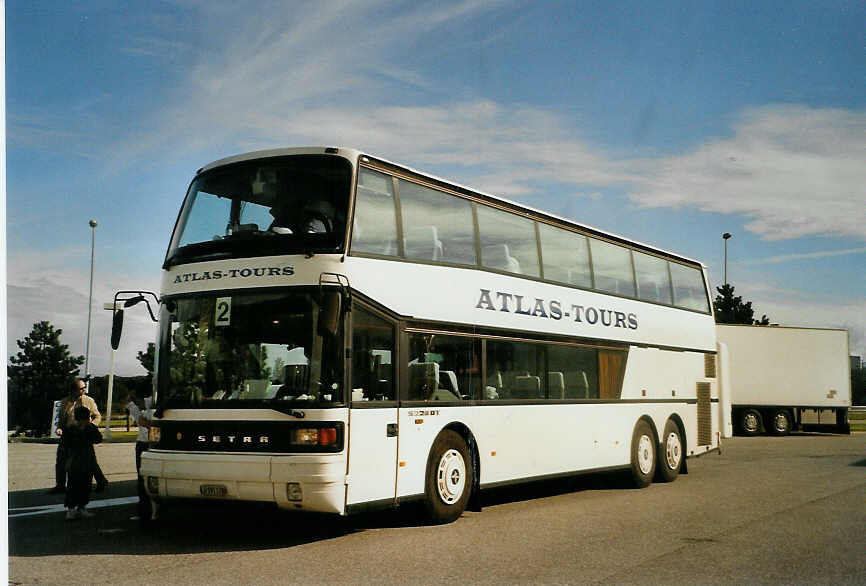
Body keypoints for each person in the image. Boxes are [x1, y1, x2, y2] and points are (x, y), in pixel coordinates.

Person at [48, 378, 108, 494]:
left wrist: (89, 427)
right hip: (68, 433)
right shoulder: (65, 402)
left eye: (84, 388)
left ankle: (101, 481)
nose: (84, 390)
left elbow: (97, 416)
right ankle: (60, 485)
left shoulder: (89, 401)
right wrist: (59, 428)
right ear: (73, 390)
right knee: (61, 459)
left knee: (89, 460)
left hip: (83, 434)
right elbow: (61, 420)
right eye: (81, 388)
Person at [63, 405, 103, 520]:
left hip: (87, 460)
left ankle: (82, 507)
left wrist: (91, 428)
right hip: (75, 461)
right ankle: (71, 509)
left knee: (86, 485)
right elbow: (66, 446)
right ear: (79, 419)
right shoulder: (71, 430)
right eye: (86, 418)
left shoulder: (90, 428)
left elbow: (98, 439)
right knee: (73, 485)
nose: (88, 420)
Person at [124, 391, 153, 520]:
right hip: (142, 443)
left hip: (152, 443)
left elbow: (145, 422)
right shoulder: (136, 407)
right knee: (141, 480)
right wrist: (132, 406)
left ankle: (151, 510)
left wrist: (136, 410)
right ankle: (144, 511)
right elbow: (140, 421)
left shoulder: (152, 402)